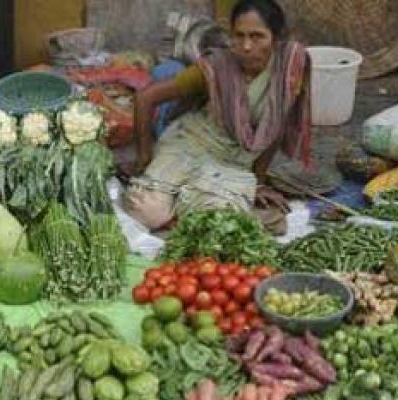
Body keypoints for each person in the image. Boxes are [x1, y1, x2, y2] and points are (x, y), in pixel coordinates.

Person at [121, 0, 312, 235]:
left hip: (235, 161)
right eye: (238, 36)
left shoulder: (289, 70)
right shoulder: (216, 67)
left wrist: (258, 182)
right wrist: (144, 156)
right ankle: (180, 197)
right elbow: (145, 98)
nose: (246, 46)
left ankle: (185, 200)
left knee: (218, 223)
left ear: (277, 38)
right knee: (146, 212)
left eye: (257, 36)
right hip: (191, 143)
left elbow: (274, 127)